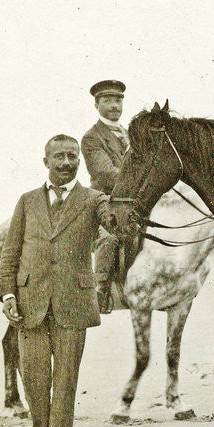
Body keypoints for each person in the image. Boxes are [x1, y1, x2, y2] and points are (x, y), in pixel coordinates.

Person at [0, 135, 114, 427]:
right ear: (46, 161)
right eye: (59, 156)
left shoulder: (95, 200)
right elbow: (10, 252)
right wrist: (8, 293)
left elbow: (114, 223)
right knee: (34, 373)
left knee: (65, 375)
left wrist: (117, 208)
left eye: (72, 156)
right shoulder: (27, 200)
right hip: (29, 300)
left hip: (73, 300)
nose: (66, 162)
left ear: (80, 160)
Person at [80, 80, 129, 313]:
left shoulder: (130, 135)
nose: (114, 105)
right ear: (96, 104)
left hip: (131, 201)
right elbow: (106, 173)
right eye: (107, 100)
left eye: (118, 100)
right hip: (104, 200)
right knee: (108, 238)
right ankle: (101, 290)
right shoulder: (92, 137)